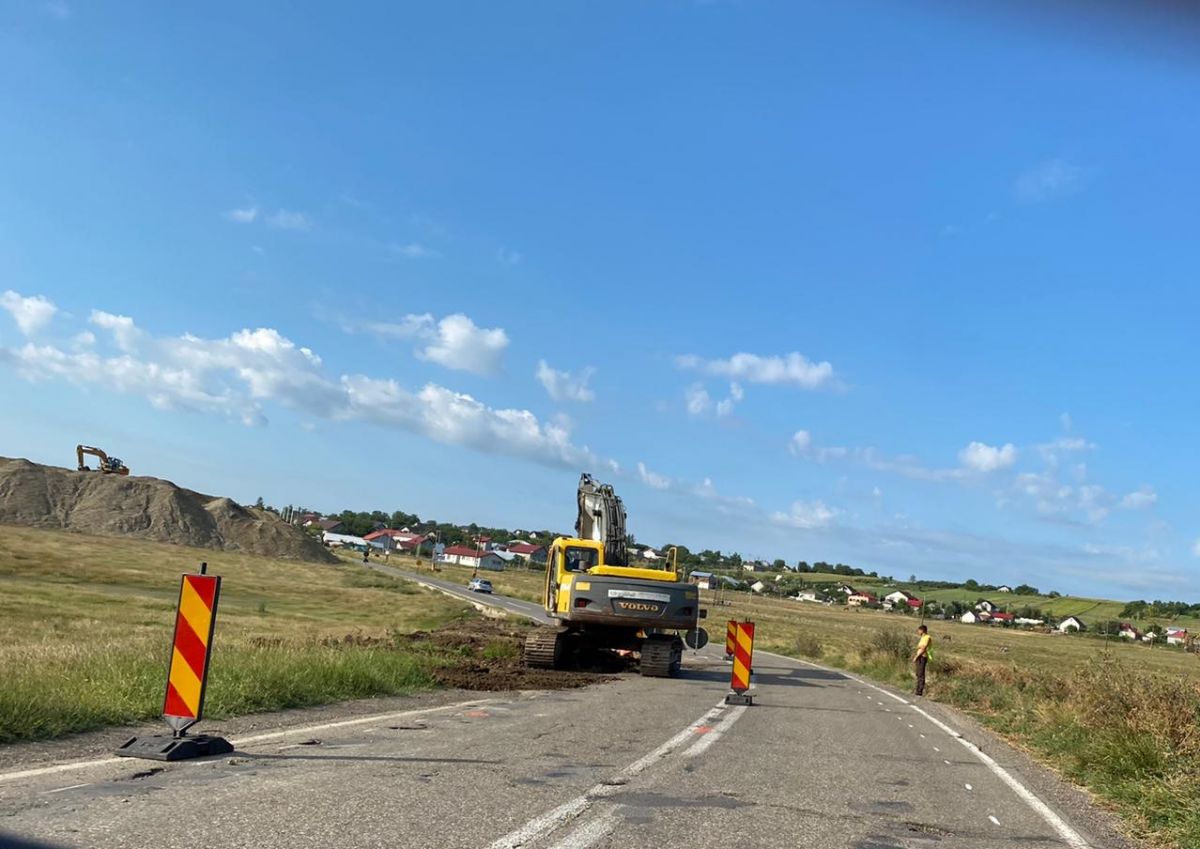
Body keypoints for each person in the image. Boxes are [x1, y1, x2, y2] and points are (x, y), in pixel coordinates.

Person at [912, 624, 932, 696]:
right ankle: (917, 689)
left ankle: (919, 691)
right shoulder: (922, 638)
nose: (918, 632)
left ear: (922, 630)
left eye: (919, 630)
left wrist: (916, 657)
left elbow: (923, 648)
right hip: (920, 656)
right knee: (918, 673)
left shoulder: (927, 637)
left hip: (922, 656)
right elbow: (919, 647)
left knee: (921, 673)